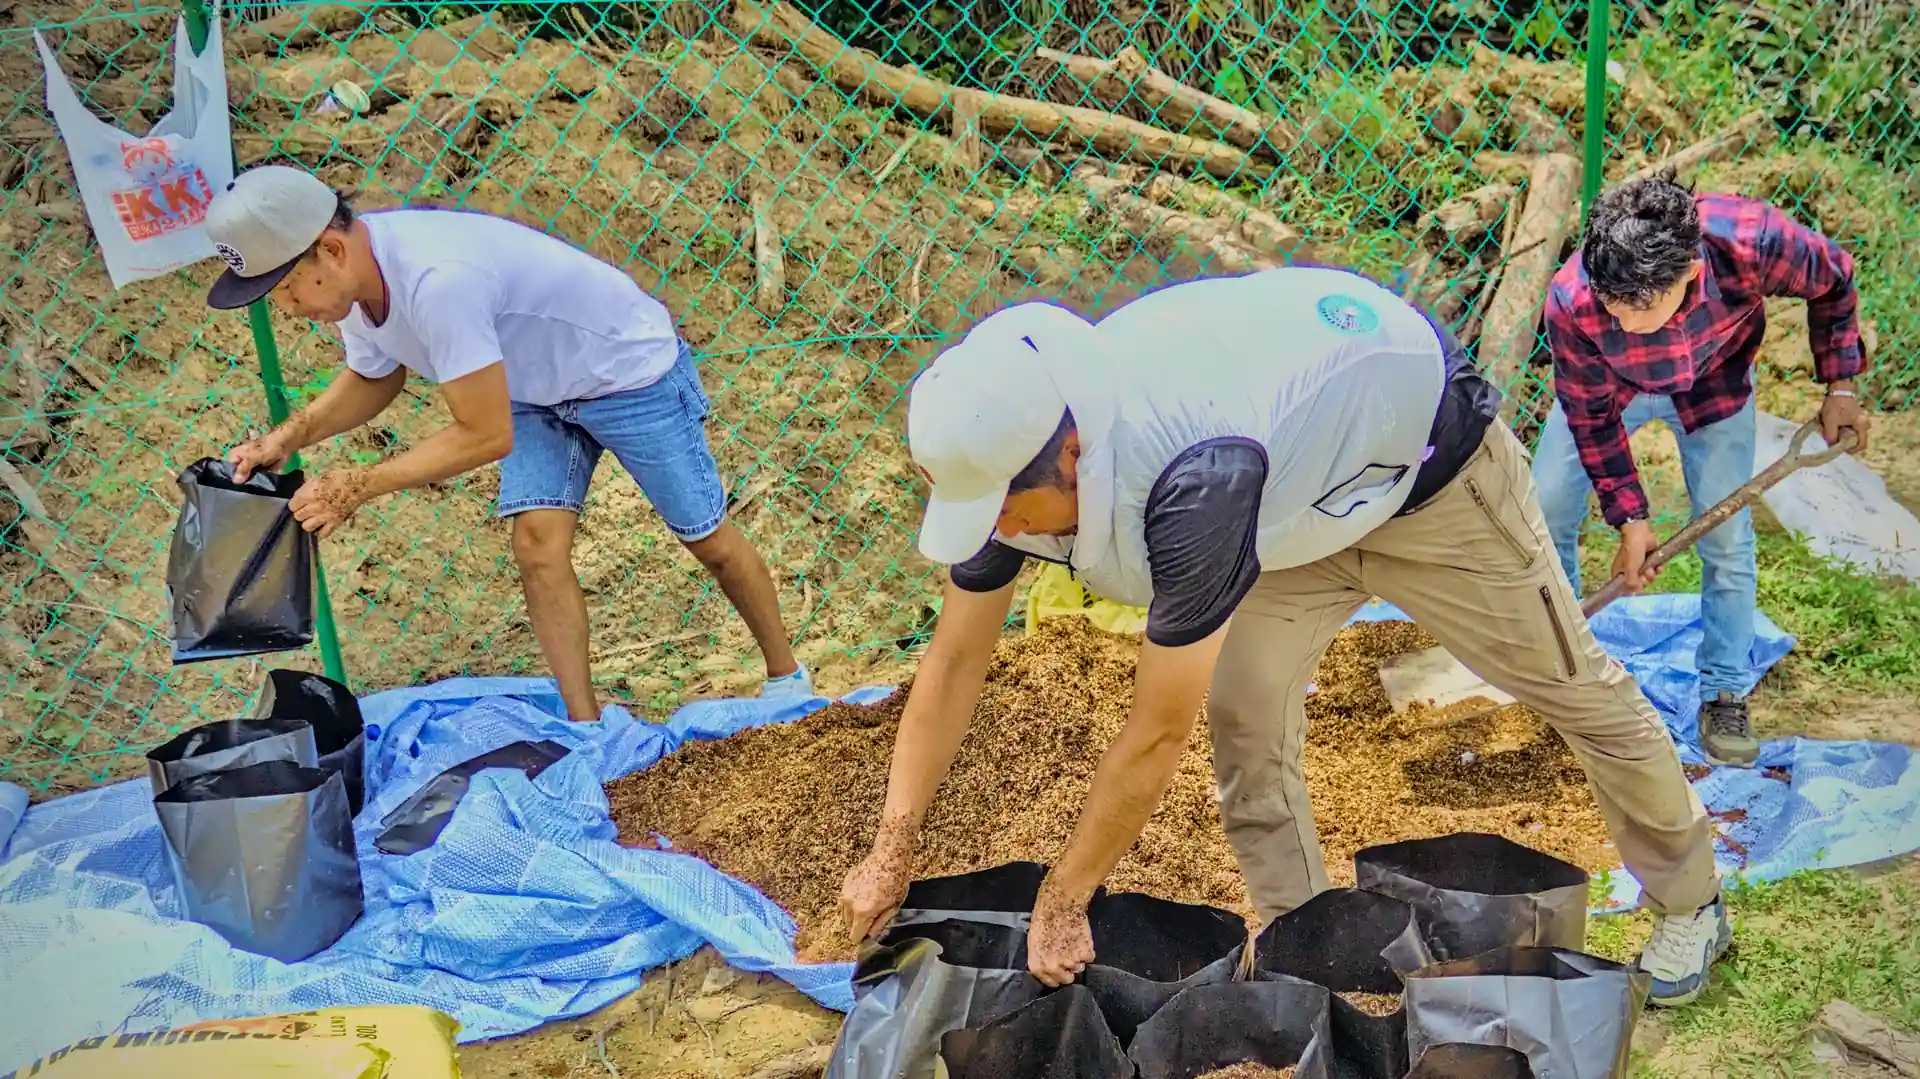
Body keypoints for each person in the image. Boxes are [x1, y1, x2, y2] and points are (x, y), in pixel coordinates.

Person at [837, 266, 1732, 1006]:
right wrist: (892, 845)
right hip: (1295, 504)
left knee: (1570, 682)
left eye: (1003, 511)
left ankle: (1692, 897)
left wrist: (1065, 898)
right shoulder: (1015, 455)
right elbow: (954, 659)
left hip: (1425, 475)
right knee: (1248, 712)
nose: (995, 531)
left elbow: (1153, 733)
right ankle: (1313, 951)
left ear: (1071, 455)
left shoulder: (1192, 479)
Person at [200, 165, 813, 719]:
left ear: (329, 250)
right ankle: (587, 727)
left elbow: (485, 433)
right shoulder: (357, 284)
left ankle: (789, 682)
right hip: (532, 386)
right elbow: (374, 374)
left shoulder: (437, 280)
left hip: (625, 372)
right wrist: (292, 435)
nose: (285, 307)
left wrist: (355, 486)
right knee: (538, 545)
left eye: (285, 290)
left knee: (707, 538)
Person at [1531, 175, 1870, 767]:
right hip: (1614, 394)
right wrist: (1631, 517)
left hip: (1716, 389)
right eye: (1612, 304)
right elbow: (1588, 414)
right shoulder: (1573, 299)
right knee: (1549, 501)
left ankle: (1723, 689)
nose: (1621, 321)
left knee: (1726, 536)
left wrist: (1840, 383)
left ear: (1688, 272)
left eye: (1639, 308)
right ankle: (1566, 675)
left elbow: (1835, 277)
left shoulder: (1751, 242)